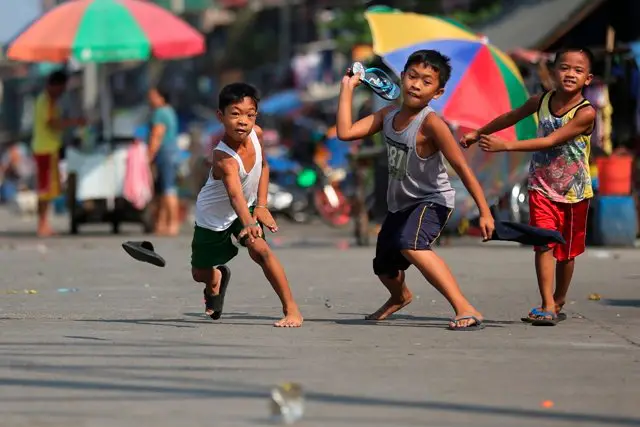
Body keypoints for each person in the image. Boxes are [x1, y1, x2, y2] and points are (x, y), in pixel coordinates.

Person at [337, 50, 495, 330]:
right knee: (384, 266)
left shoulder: (432, 124)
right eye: (412, 76)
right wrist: (347, 89)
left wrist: (485, 211)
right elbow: (346, 133)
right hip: (400, 203)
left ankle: (464, 307)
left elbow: (462, 167)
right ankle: (399, 297)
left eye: (426, 81)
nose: (416, 85)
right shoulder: (388, 114)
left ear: (438, 92)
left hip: (432, 200)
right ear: (401, 77)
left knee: (411, 243)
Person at [461, 48, 596, 326]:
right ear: (554, 71)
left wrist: (505, 146)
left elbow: (551, 141)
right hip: (542, 187)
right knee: (543, 243)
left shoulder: (586, 113)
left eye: (577, 70)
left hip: (574, 192)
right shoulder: (541, 100)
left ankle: (558, 299)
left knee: (567, 253)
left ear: (588, 79)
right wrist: (479, 133)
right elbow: (510, 117)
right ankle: (546, 303)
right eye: (564, 67)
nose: (570, 74)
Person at [190, 82, 303, 328]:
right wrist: (249, 221)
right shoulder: (223, 158)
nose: (243, 121)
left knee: (261, 251)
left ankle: (291, 309)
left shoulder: (257, 134)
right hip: (214, 217)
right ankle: (215, 280)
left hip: (247, 206)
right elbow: (233, 195)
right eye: (235, 114)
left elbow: (263, 166)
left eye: (249, 115)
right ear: (220, 116)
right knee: (200, 273)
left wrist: (261, 206)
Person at [31, 70, 84, 237]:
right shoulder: (47, 101)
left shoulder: (48, 100)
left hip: (50, 148)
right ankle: (42, 225)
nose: (62, 92)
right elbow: (52, 123)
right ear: (54, 85)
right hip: (45, 149)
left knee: (49, 189)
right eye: (61, 88)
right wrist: (73, 122)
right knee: (44, 189)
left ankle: (45, 224)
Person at [147, 87, 180, 236]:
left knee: (168, 189)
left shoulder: (160, 113)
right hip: (172, 152)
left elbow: (157, 135)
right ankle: (161, 223)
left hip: (165, 153)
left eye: (153, 96)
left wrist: (149, 155)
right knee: (162, 190)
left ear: (161, 97)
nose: (150, 99)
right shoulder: (169, 111)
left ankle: (173, 223)